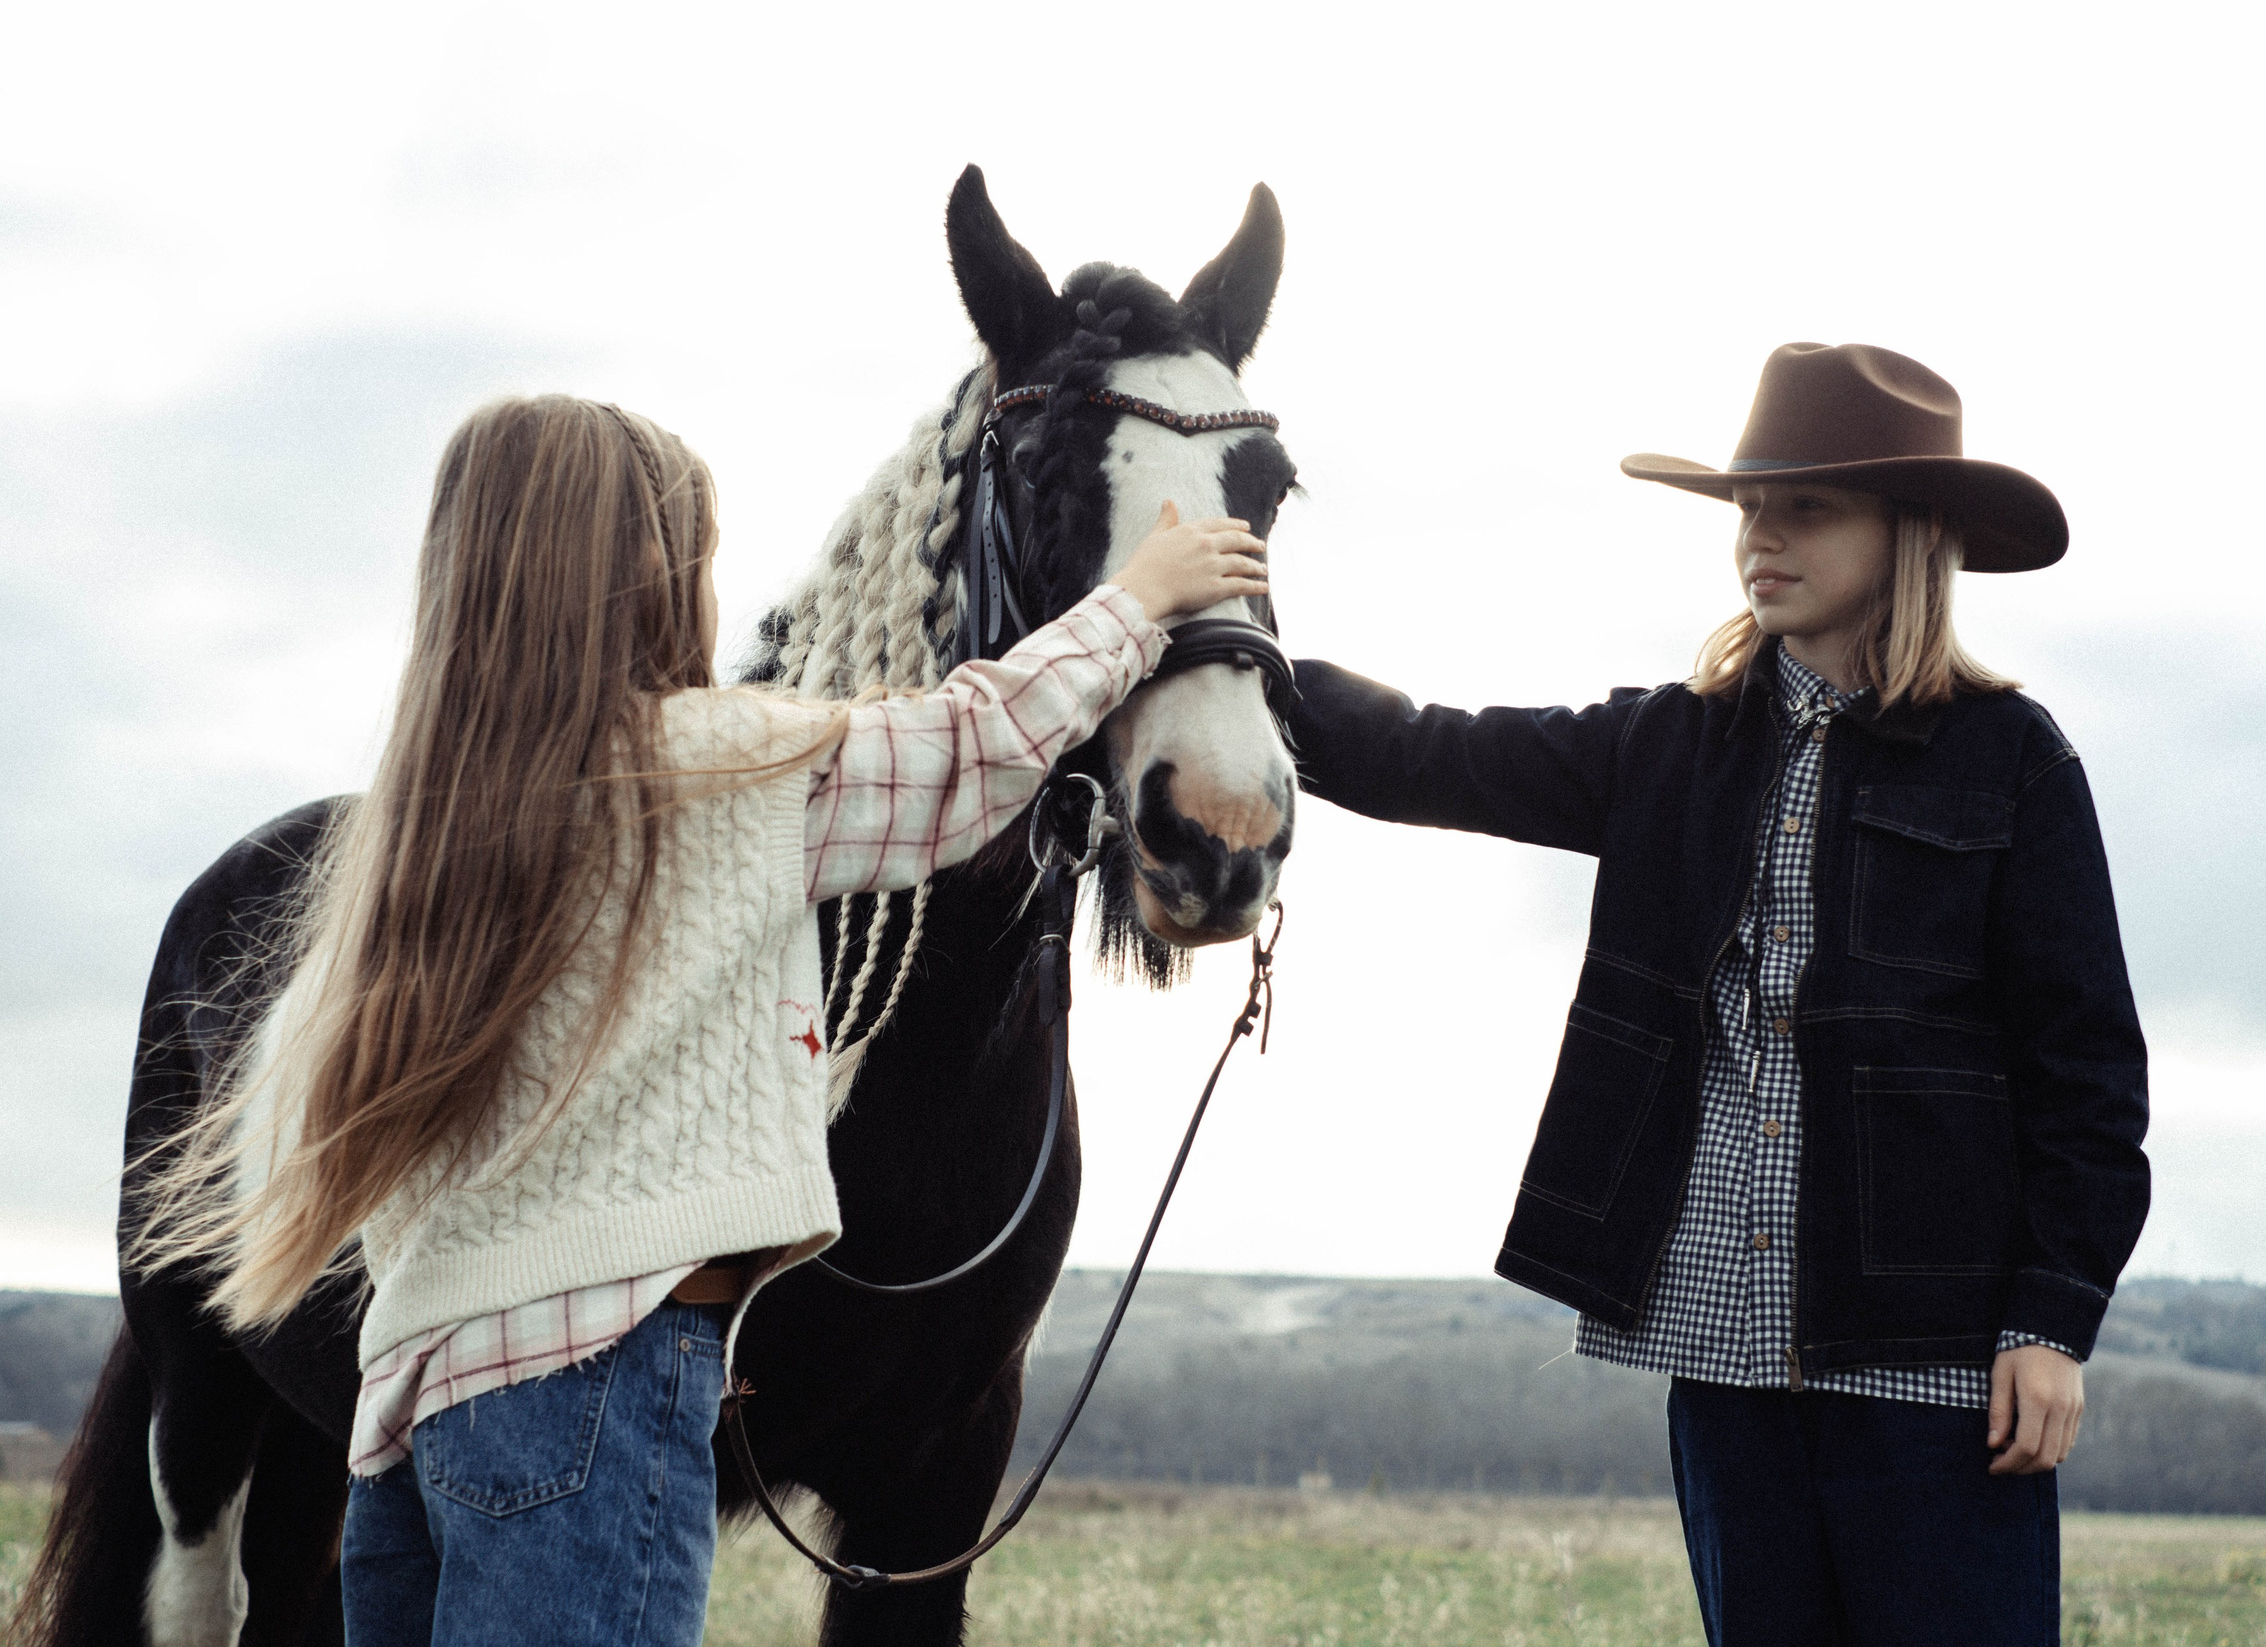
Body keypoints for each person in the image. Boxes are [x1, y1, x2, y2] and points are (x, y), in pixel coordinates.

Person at [126, 394, 1269, 1645]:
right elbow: (965, 751)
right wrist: (1135, 602)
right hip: (597, 1403)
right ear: (649, 582)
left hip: (413, 1409)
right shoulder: (717, 773)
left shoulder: (428, 829)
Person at [1289, 343, 2149, 1644]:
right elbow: (1432, 752)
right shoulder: (1668, 745)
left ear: (1905, 527)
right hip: (1721, 1348)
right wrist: (1213, 653)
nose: (1762, 533)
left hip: (1933, 1354)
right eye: (1751, 505)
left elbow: (2087, 1072)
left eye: (1804, 505)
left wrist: (2052, 1318)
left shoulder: (2012, 761)